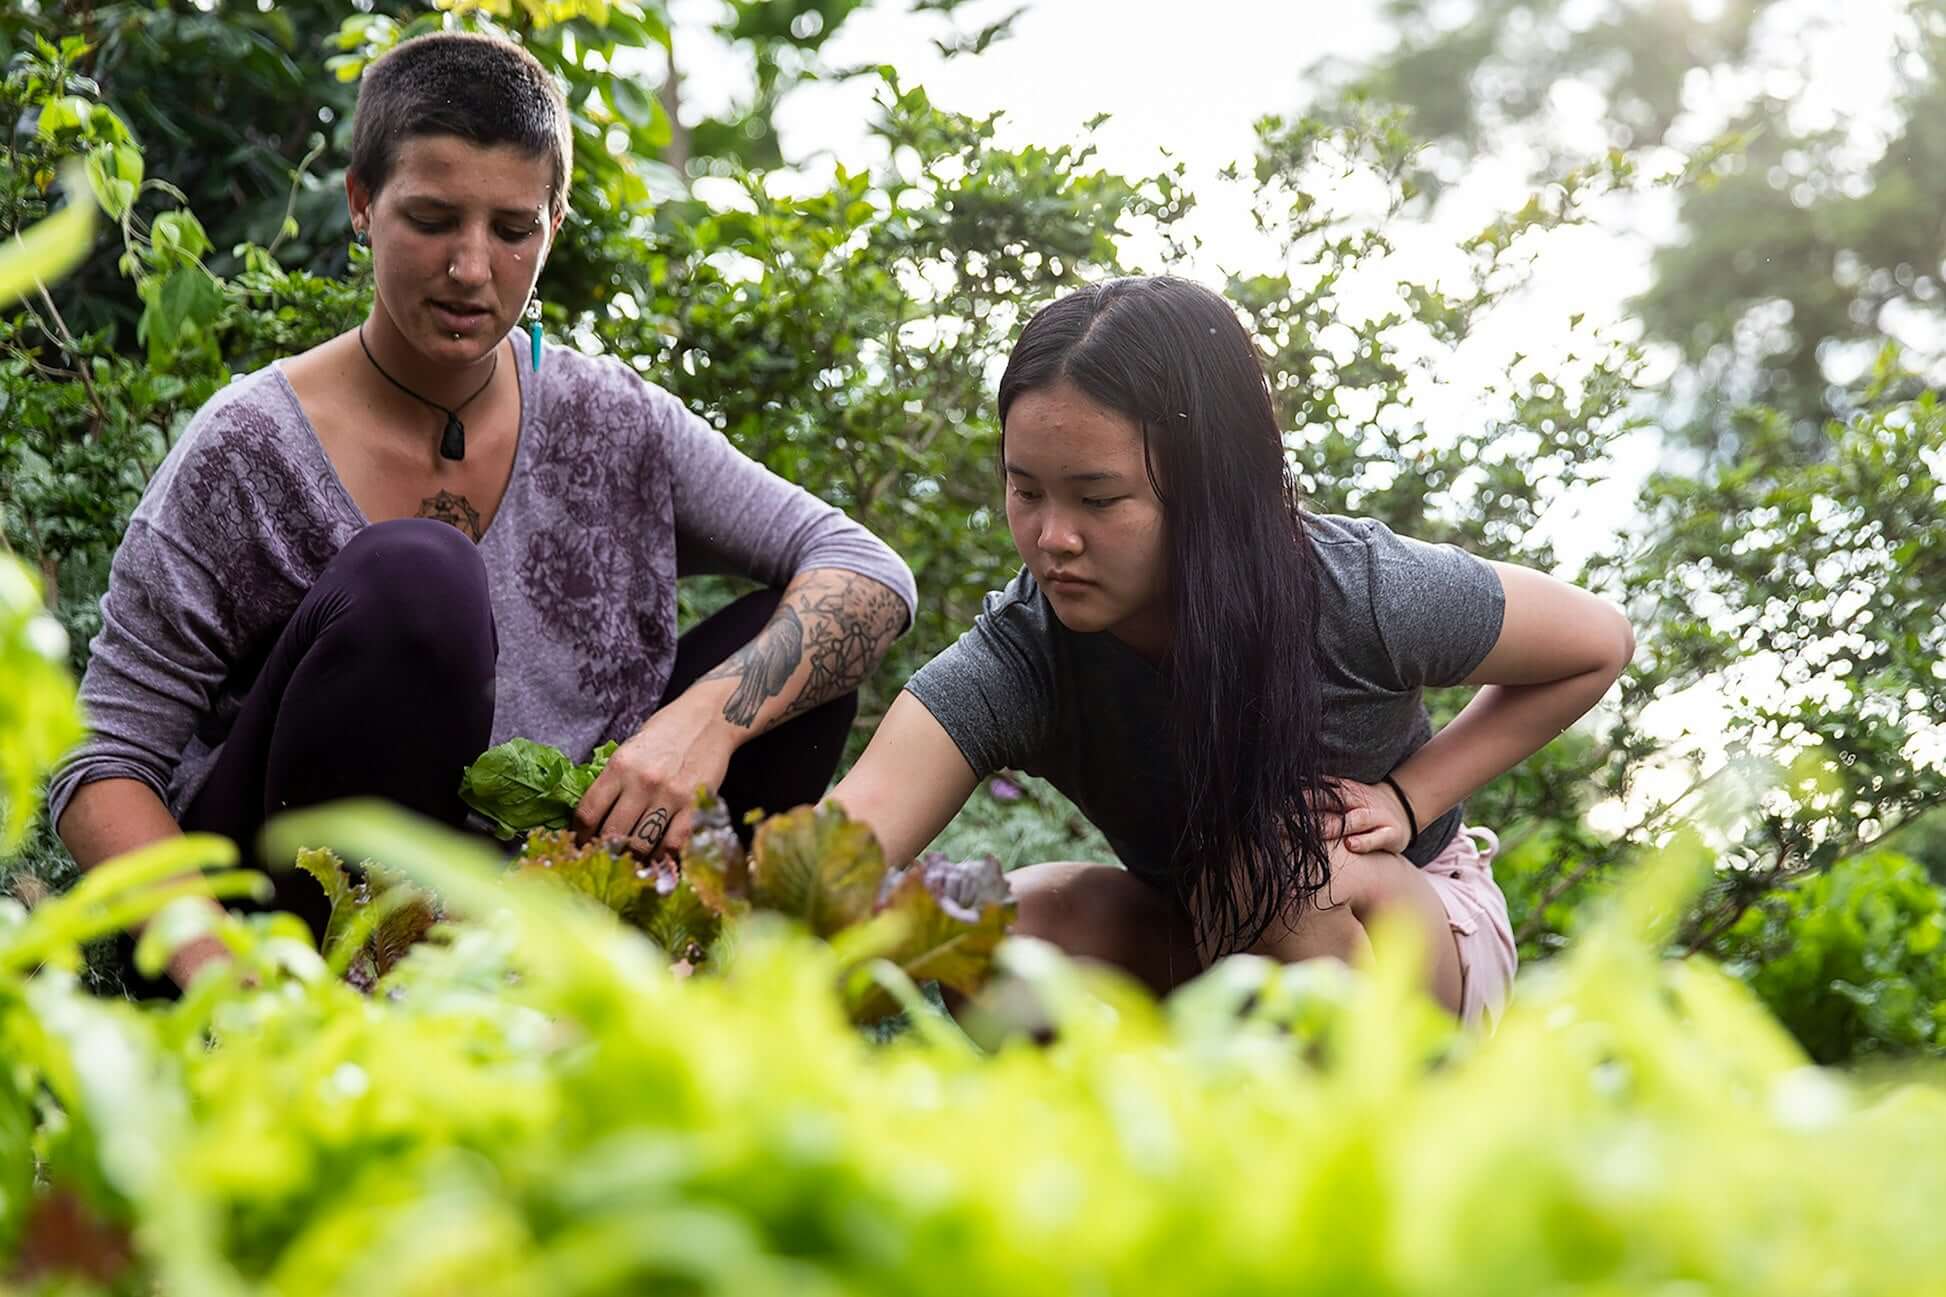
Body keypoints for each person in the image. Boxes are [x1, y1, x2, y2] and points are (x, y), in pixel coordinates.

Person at [49, 31, 915, 989]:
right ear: (361, 205)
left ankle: (658, 1001)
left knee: (791, 646)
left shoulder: (613, 420)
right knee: (418, 577)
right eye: (431, 220)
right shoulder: (251, 449)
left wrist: (710, 716)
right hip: (284, 923)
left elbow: (870, 571)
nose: (471, 268)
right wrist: (224, 971)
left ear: (554, 222)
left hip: (543, 914)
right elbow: (99, 763)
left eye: (511, 230)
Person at [829, 276, 1632, 1028]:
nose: (1053, 538)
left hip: (1409, 933)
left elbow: (1597, 643)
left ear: (1207, 484)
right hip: (1198, 929)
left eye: (1098, 498)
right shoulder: (1026, 653)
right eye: (1025, 490)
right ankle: (1131, 1158)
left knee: (1277, 880)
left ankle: (1370, 1150)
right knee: (989, 931)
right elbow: (848, 837)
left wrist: (1406, 799)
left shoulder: (1351, 590)